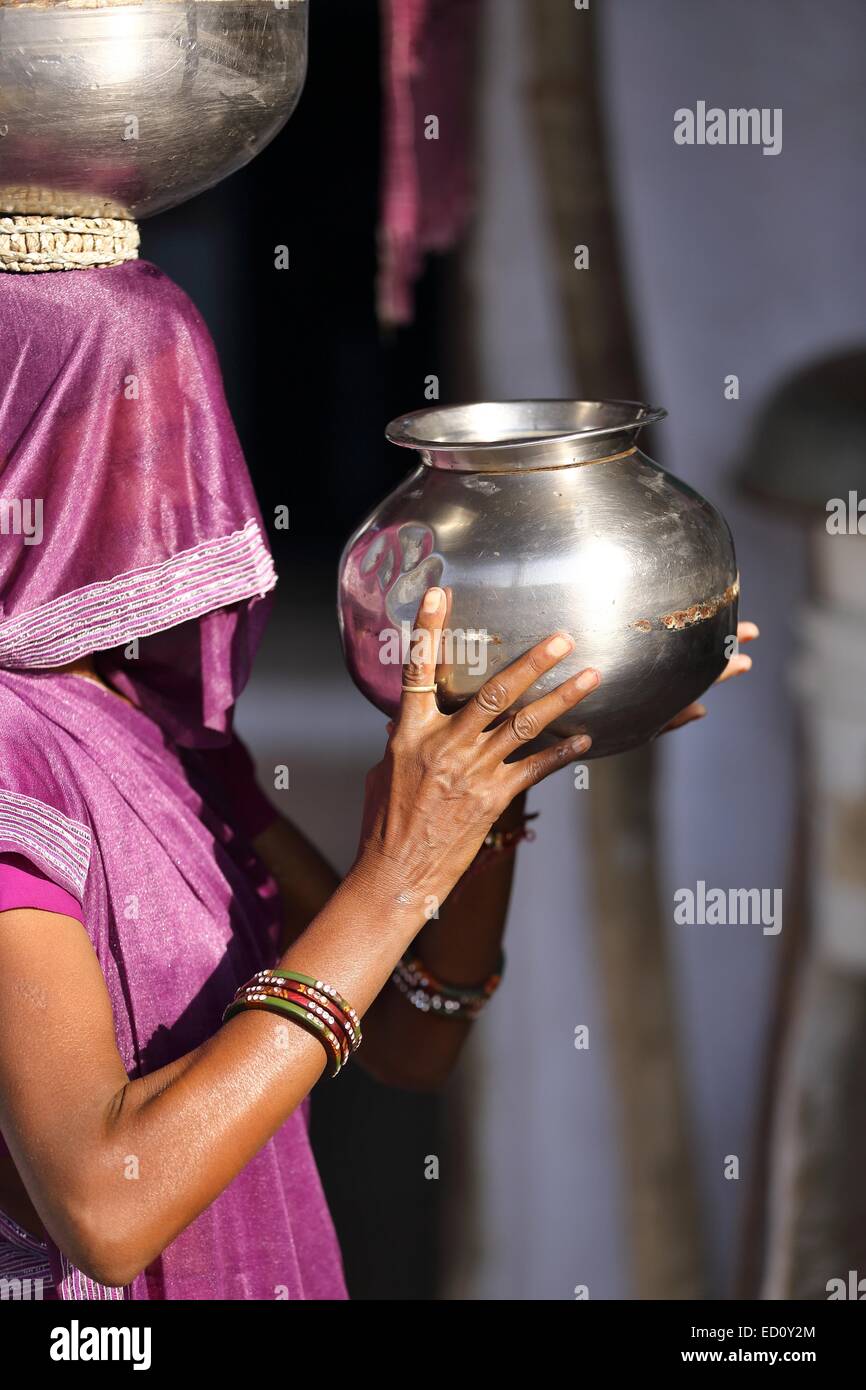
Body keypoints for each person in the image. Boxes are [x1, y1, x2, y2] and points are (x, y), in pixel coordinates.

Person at [0, 260, 756, 1300]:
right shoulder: (13, 761)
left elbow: (407, 1033)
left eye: (186, 426)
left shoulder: (159, 727)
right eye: (127, 436)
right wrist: (398, 871)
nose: (181, 482)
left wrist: (495, 770)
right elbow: (107, 1207)